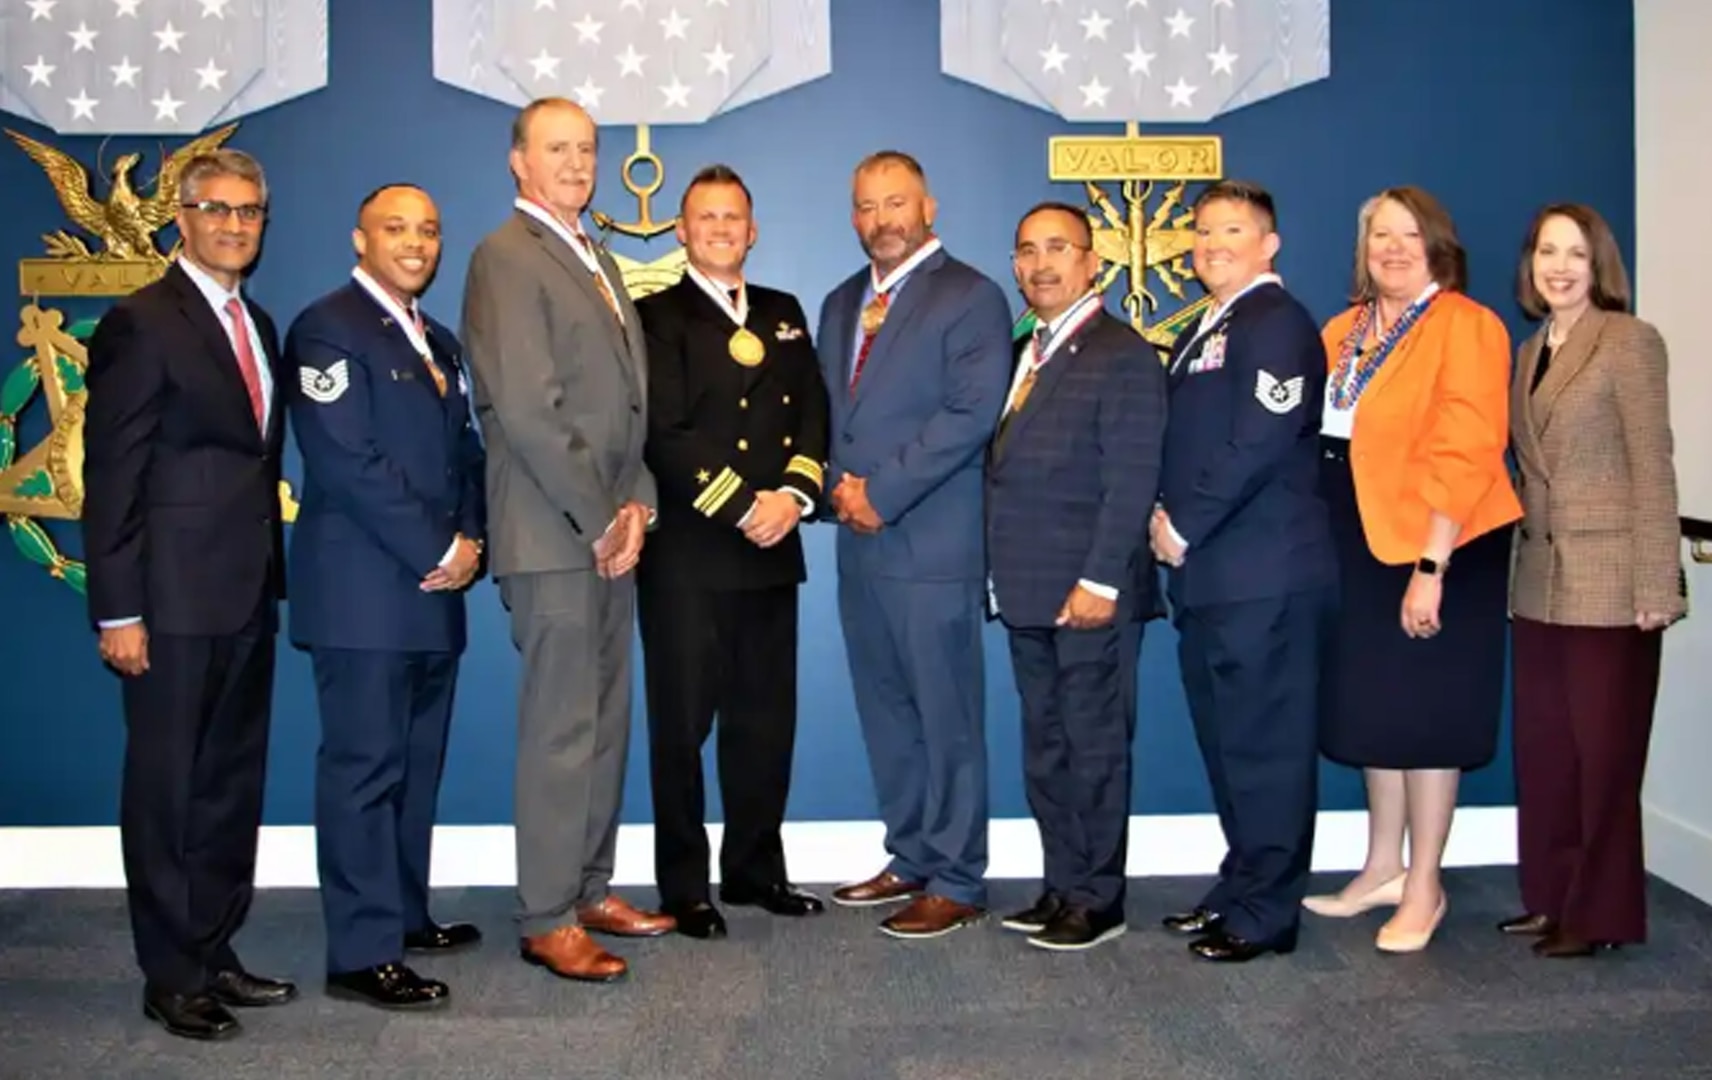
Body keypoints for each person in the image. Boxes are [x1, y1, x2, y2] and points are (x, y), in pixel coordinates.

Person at [81, 149, 296, 1040]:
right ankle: (169, 974)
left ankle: (213, 949)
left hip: (246, 594)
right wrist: (119, 610)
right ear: (181, 214)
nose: (235, 225)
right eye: (217, 209)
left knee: (227, 786)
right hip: (167, 606)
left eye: (250, 211)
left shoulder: (262, 324)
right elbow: (113, 478)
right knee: (168, 790)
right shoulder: (142, 322)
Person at [461, 97, 672, 983]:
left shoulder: (598, 258)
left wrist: (640, 506)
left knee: (604, 725)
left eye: (587, 148)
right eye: (557, 149)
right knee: (559, 730)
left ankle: (589, 886)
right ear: (518, 161)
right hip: (554, 538)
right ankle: (547, 915)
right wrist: (600, 519)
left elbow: (629, 404)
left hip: (607, 529)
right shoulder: (505, 258)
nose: (577, 163)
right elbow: (532, 412)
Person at [284, 183, 487, 1008]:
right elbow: (346, 461)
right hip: (363, 595)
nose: (416, 243)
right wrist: (441, 545)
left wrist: (473, 542)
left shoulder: (436, 337)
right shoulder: (327, 328)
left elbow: (465, 454)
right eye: (397, 228)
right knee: (365, 769)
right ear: (358, 238)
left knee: (414, 767)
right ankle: (360, 955)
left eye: (429, 230)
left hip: (435, 591)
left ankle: (403, 913)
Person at [1305, 186, 1521, 952]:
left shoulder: (1468, 326)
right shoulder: (1342, 330)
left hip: (1443, 545)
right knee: (1375, 710)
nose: (1392, 248)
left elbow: (1466, 447)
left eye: (1407, 235)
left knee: (1428, 717)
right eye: (1377, 237)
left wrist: (1432, 563)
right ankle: (1379, 868)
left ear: (1438, 245)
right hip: (1358, 545)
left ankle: (1425, 883)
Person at [818, 150, 1013, 938]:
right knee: (888, 712)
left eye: (895, 203)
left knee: (947, 714)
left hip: (930, 543)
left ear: (928, 207)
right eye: (866, 206)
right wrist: (837, 488)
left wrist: (881, 492)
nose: (881, 220)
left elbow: (971, 415)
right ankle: (911, 854)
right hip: (858, 548)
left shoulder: (971, 296)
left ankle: (959, 875)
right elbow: (832, 416)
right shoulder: (838, 302)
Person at [634, 165, 832, 939]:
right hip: (690, 552)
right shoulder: (655, 315)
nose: (720, 228)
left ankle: (756, 871)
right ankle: (685, 886)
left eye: (733, 217)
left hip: (771, 548)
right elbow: (664, 432)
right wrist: (744, 503)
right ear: (681, 231)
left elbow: (812, 415)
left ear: (753, 231)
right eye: (704, 217)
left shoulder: (784, 313)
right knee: (681, 730)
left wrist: (792, 497)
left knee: (763, 724)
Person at [1151, 181, 1337, 962]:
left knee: (1267, 749)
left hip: (1264, 577)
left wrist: (1182, 524)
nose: (1211, 243)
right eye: (1200, 231)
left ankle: (1268, 913)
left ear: (1270, 242)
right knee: (1231, 749)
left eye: (1231, 229)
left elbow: (1260, 438)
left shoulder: (1278, 323)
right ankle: (1242, 885)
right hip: (1216, 580)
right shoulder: (1213, 326)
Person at [1503, 203, 1685, 958]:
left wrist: (1656, 581)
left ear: (1600, 263)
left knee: (1606, 752)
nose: (1560, 266)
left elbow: (1653, 464)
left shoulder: (1630, 342)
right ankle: (1552, 898)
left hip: (1612, 582)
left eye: (1576, 253)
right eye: (1548, 251)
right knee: (1548, 750)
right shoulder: (1531, 348)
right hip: (1541, 580)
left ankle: (1602, 914)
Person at [988, 201, 1165, 951]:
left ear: (1094, 261)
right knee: (1049, 747)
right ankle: (1063, 883)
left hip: (1087, 592)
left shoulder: (1120, 351)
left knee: (1093, 747)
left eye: (1058, 248)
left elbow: (1132, 477)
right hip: (1028, 588)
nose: (1040, 264)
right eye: (1026, 251)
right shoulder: (1026, 348)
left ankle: (1099, 898)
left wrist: (1101, 580)